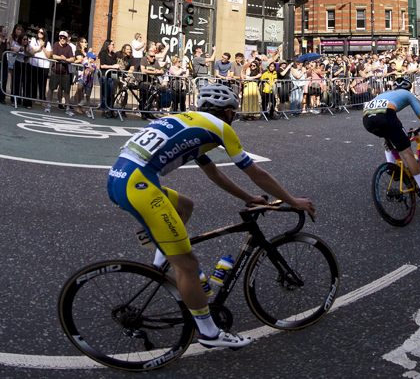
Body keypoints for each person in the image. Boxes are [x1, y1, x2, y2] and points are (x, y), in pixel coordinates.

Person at [107, 83, 315, 349]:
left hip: (121, 180)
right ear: (227, 112)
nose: (235, 118)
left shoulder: (185, 121)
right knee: (189, 265)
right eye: (235, 113)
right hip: (139, 187)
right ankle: (209, 333)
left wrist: (248, 198)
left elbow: (214, 173)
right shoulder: (221, 129)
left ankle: (160, 262)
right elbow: (256, 174)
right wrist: (292, 201)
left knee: (185, 206)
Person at [362, 76, 420, 201]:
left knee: (387, 139)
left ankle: (391, 168)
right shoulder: (407, 94)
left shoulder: (386, 93)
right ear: (409, 88)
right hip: (386, 116)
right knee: (407, 154)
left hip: (367, 119)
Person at [47, 30, 75, 114]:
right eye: (61, 37)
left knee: (66, 90)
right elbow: (53, 55)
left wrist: (65, 59)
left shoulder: (69, 47)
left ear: (67, 39)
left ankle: (67, 108)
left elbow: (72, 59)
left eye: (64, 38)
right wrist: (61, 58)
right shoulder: (56, 45)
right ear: (59, 38)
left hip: (65, 72)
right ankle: (48, 105)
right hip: (55, 70)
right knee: (51, 88)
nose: (62, 39)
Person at [29, 28, 51, 109]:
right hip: (34, 64)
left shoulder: (47, 43)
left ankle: (42, 99)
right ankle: (32, 98)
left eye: (41, 32)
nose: (39, 33)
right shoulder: (34, 40)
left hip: (44, 66)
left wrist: (43, 47)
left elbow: (48, 55)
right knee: (33, 82)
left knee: (42, 83)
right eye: (38, 32)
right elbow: (32, 50)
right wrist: (39, 47)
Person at [97, 39, 120, 118]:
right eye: (112, 44)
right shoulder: (103, 53)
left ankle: (109, 110)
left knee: (110, 93)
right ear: (108, 45)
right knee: (104, 93)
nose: (114, 46)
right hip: (104, 75)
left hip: (111, 76)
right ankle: (104, 110)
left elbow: (114, 63)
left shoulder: (113, 54)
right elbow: (102, 66)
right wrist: (112, 66)